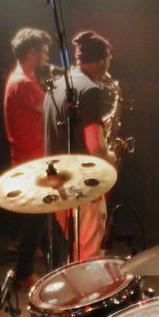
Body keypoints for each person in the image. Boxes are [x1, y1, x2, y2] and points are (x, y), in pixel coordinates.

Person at [42, 30, 113, 261]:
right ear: (102, 60)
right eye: (109, 59)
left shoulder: (55, 86)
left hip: (57, 184)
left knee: (74, 254)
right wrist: (110, 157)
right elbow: (95, 148)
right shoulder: (90, 90)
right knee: (89, 258)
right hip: (83, 185)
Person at [3, 27, 52, 289]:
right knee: (37, 220)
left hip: (33, 158)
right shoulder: (22, 82)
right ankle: (24, 274)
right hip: (31, 161)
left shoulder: (22, 78)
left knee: (42, 219)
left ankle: (52, 264)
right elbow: (49, 108)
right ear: (31, 53)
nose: (47, 56)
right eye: (44, 51)